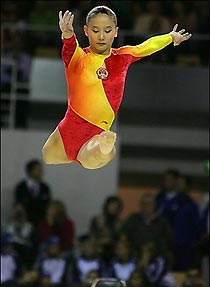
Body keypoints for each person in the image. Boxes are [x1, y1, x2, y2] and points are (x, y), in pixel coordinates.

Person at [42, 6, 192, 169]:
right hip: (66, 133)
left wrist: (170, 37)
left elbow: (146, 46)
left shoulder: (122, 57)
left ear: (115, 31)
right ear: (86, 30)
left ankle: (106, 144)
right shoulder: (79, 58)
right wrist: (67, 33)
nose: (101, 36)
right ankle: (103, 146)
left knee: (96, 157)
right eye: (95, 30)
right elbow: (69, 47)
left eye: (107, 30)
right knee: (46, 157)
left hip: (95, 136)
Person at [14, 159, 52, 228]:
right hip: (25, 222)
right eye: (38, 170)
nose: (41, 172)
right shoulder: (21, 187)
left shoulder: (45, 187)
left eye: (41, 170)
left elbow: (48, 205)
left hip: (41, 223)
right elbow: (18, 205)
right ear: (30, 171)